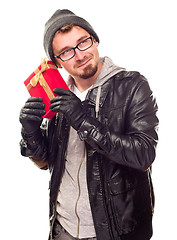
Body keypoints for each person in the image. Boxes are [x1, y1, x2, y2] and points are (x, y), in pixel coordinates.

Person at [19, 9, 159, 240]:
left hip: (116, 232)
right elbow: (46, 162)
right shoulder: (56, 95)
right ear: (57, 62)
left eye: (83, 42)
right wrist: (30, 131)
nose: (79, 55)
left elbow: (143, 155)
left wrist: (83, 120)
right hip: (62, 229)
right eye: (66, 52)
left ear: (95, 40)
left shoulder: (132, 85)